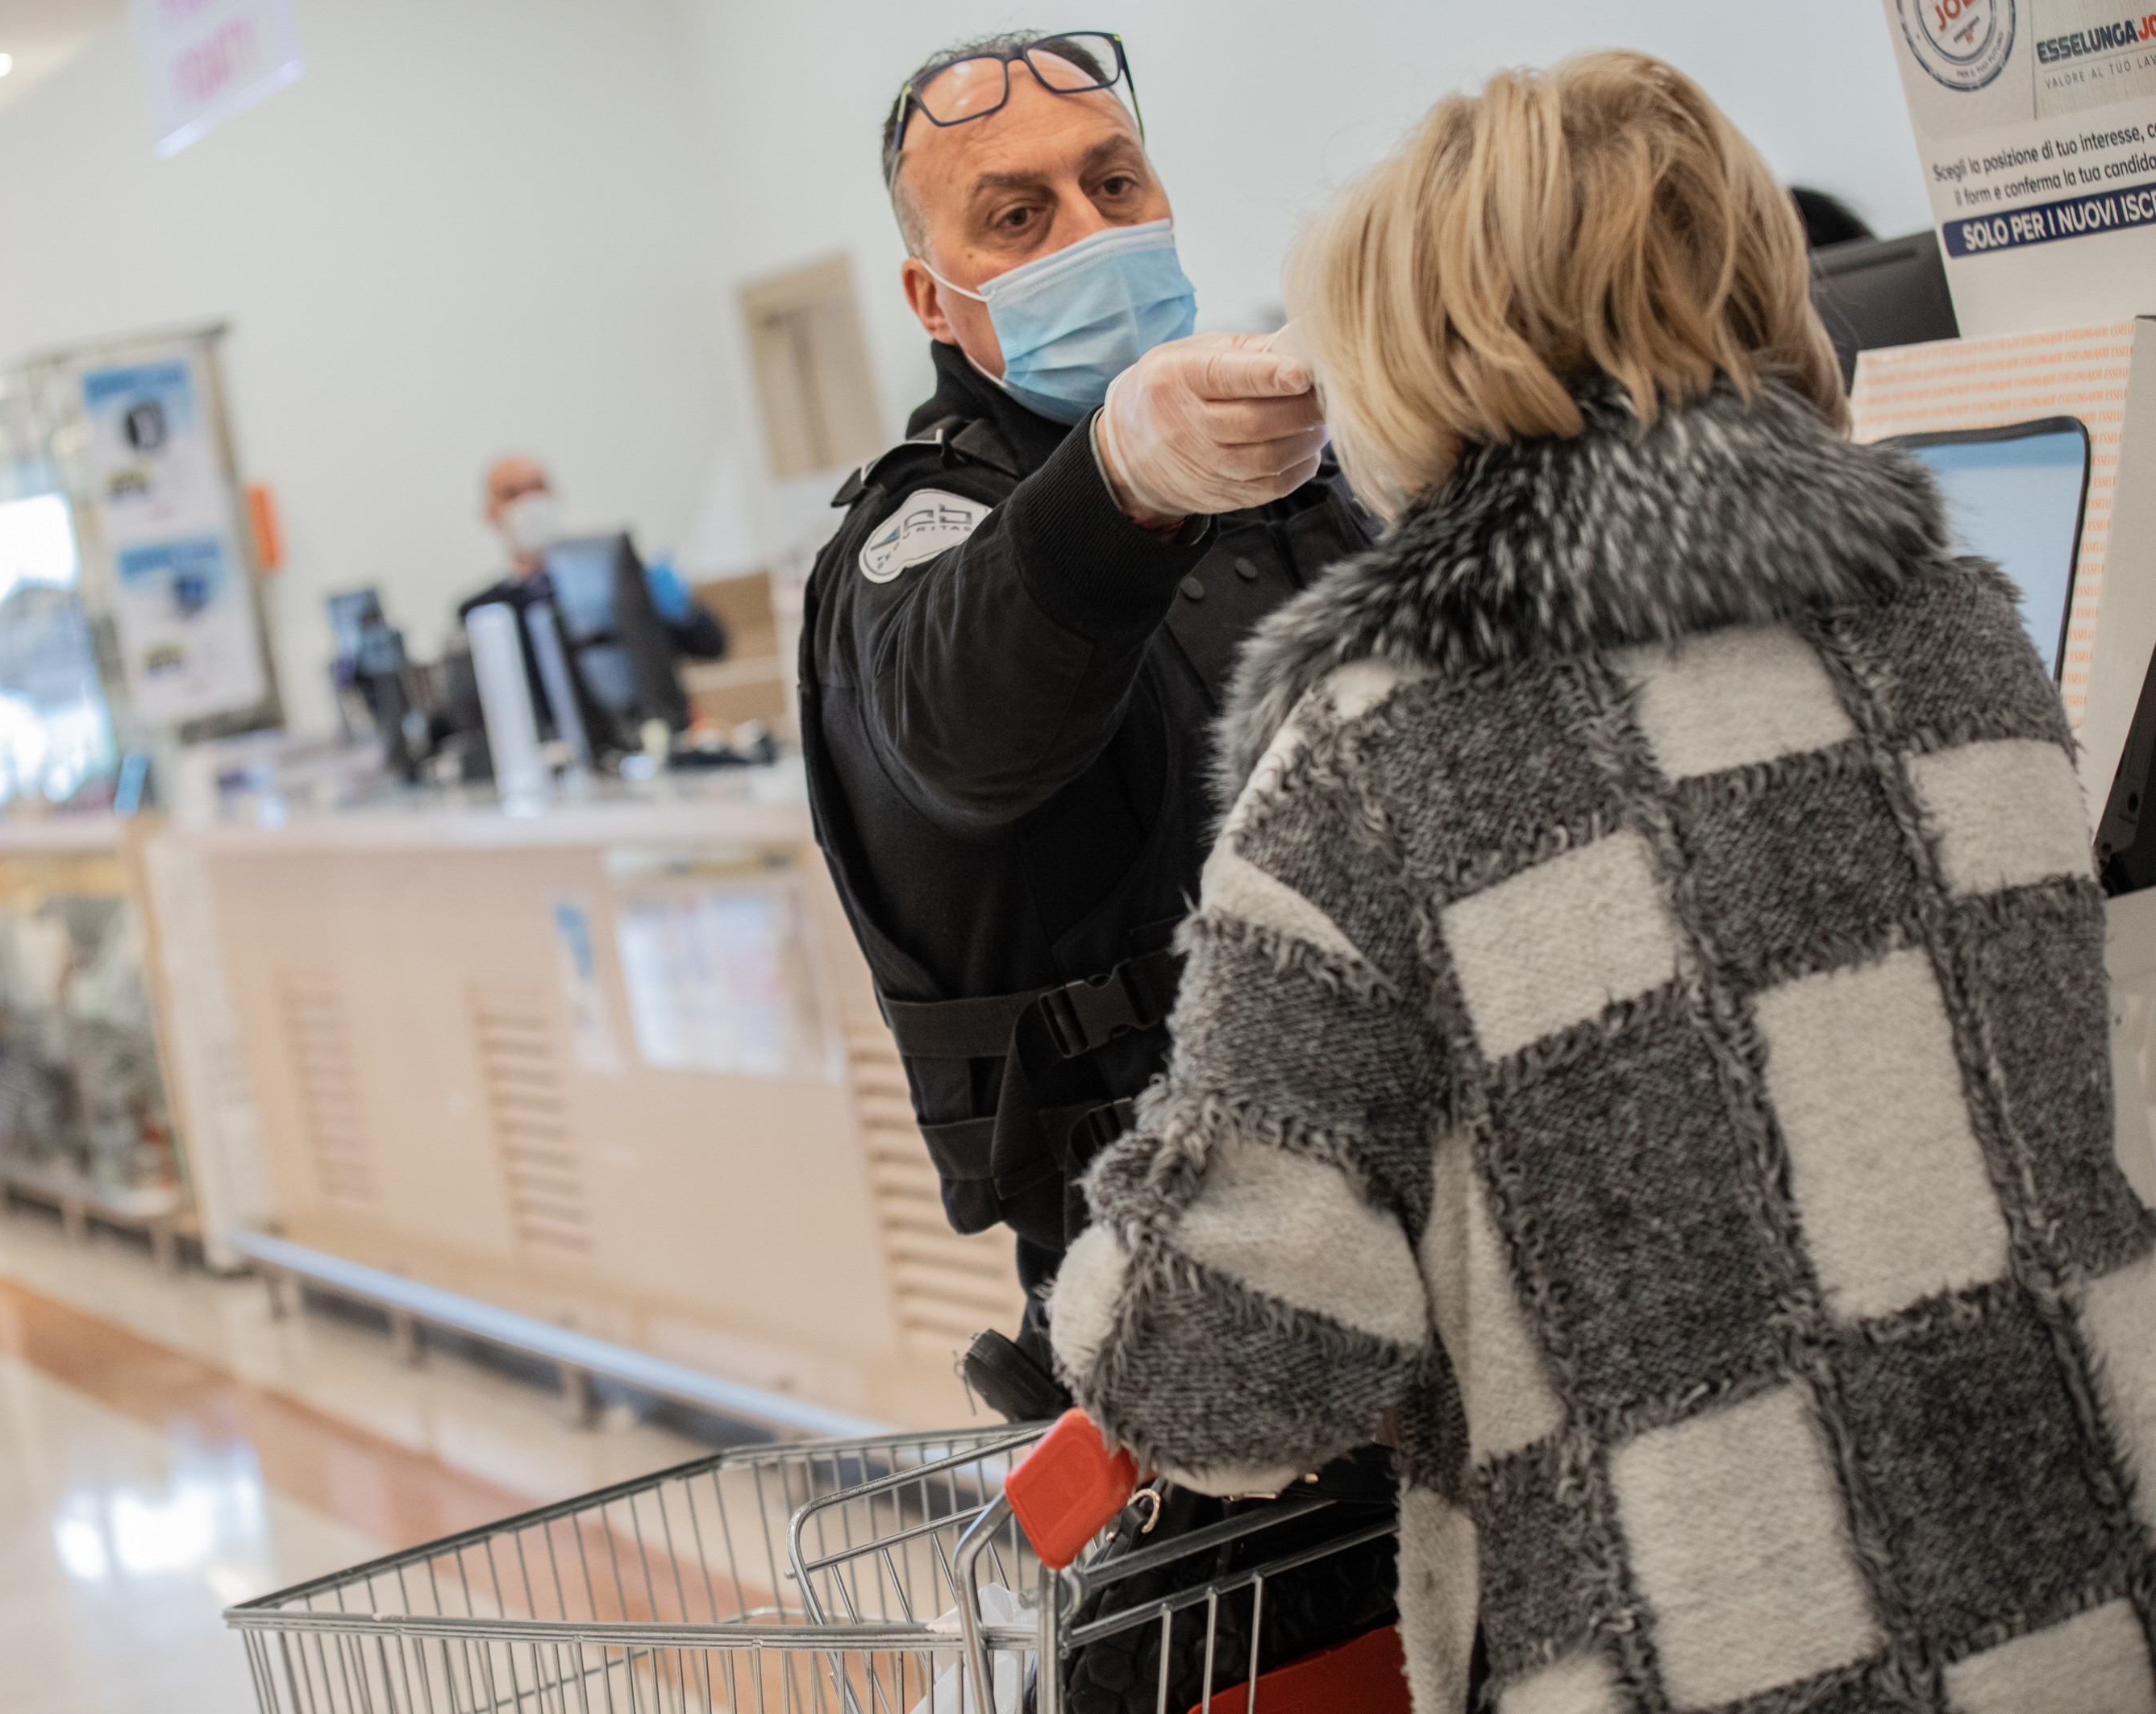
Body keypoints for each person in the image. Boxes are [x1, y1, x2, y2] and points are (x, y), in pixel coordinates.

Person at [1050, 50, 2156, 1714]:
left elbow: (1227, 1377)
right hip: (2075, 1627)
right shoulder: (1963, 641)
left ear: (1414, 360)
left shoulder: (1369, 764)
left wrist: (1124, 1272)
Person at [798, 29, 1377, 1417]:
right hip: (1173, 1287)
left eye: (1113, 185)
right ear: (931, 298)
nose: (1089, 232)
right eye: (1016, 215)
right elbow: (966, 724)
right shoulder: (911, 540)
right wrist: (1118, 484)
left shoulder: (1293, 465)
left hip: (1410, 1170)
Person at [468, 455, 726, 662]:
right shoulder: (482, 612)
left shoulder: (614, 577)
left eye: (537, 488)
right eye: (512, 494)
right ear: (489, 512)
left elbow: (711, 647)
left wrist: (684, 613)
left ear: (554, 495)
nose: (529, 503)